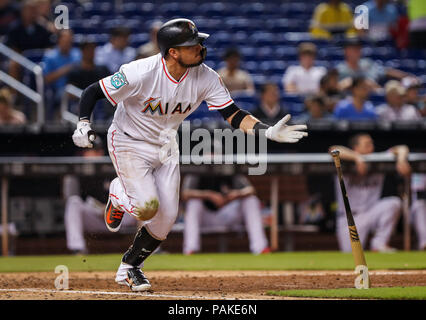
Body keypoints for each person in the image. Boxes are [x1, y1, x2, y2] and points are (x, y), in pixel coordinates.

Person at [71, 18, 308, 292]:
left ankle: (129, 268)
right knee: (146, 207)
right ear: (173, 51)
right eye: (192, 44)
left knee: (167, 217)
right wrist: (83, 124)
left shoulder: (206, 76)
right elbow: (92, 92)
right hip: (129, 142)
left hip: (165, 146)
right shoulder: (140, 72)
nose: (200, 48)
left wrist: (266, 132)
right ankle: (117, 192)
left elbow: (232, 114)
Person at [329, 133, 410, 252]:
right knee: (351, 256)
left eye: (371, 143)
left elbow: (402, 148)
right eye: (367, 144)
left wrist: (401, 159)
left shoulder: (377, 159)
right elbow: (333, 149)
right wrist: (357, 158)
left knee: (394, 203)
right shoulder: (344, 160)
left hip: (371, 212)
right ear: (356, 148)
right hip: (349, 218)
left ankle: (379, 243)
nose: (371, 147)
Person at [64, 138, 138, 254]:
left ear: (100, 152)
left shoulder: (114, 167)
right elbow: (69, 197)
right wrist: (99, 209)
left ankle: (149, 249)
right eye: (86, 151)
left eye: (93, 151)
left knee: (143, 204)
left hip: (119, 215)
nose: (88, 154)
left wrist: (113, 206)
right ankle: (77, 248)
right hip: (95, 217)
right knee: (74, 202)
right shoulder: (78, 170)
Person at [181, 174, 270, 255]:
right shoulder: (198, 167)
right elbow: (185, 194)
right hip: (205, 217)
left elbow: (251, 190)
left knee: (251, 200)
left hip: (228, 215)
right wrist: (209, 195)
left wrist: (236, 195)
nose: (213, 156)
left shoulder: (228, 165)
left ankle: (260, 247)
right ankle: (191, 249)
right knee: (194, 203)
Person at [337, 37, 412, 90]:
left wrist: (407, 76)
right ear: (346, 51)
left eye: (358, 48)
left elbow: (385, 71)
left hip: (373, 95)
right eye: (353, 49)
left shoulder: (367, 63)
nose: (357, 52)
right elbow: (336, 88)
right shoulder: (340, 69)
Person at [42, 29, 81, 120]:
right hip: (57, 89)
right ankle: (65, 119)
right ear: (59, 41)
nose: (67, 43)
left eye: (69, 41)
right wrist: (66, 69)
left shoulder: (77, 54)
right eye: (65, 41)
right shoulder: (50, 56)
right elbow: (47, 79)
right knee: (68, 93)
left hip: (78, 87)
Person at [67, 40, 111, 122]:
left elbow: (110, 87)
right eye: (88, 49)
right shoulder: (75, 70)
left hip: (100, 102)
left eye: (92, 49)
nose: (91, 52)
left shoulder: (102, 69)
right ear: (82, 51)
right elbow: (70, 91)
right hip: (80, 100)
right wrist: (87, 97)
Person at [411, 173, 426, 250]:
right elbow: (420, 193)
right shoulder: (418, 169)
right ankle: (424, 244)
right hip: (415, 207)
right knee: (420, 205)